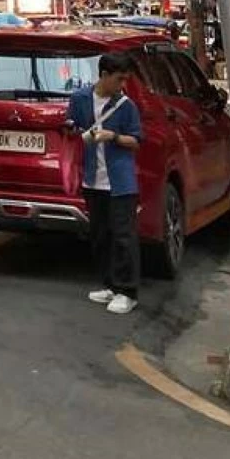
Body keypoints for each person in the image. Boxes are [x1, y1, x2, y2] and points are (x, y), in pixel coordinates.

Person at [66, 51, 143, 315]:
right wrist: (73, 130)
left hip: (120, 181)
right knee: (100, 235)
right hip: (92, 178)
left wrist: (113, 136)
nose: (122, 85)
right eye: (119, 79)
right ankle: (110, 284)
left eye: (125, 80)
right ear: (103, 75)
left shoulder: (126, 105)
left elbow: (135, 141)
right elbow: (72, 126)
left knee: (124, 236)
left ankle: (128, 290)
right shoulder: (79, 99)